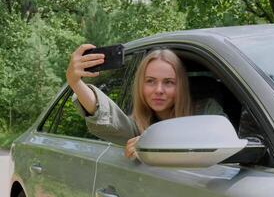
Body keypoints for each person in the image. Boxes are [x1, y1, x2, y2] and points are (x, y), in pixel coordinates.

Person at [66, 44, 225, 160]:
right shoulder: (137, 129)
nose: (159, 90)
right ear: (140, 86)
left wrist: (155, 144)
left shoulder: (206, 111)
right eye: (150, 81)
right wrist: (75, 83)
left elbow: (221, 142)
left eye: (169, 82)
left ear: (181, 86)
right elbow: (107, 115)